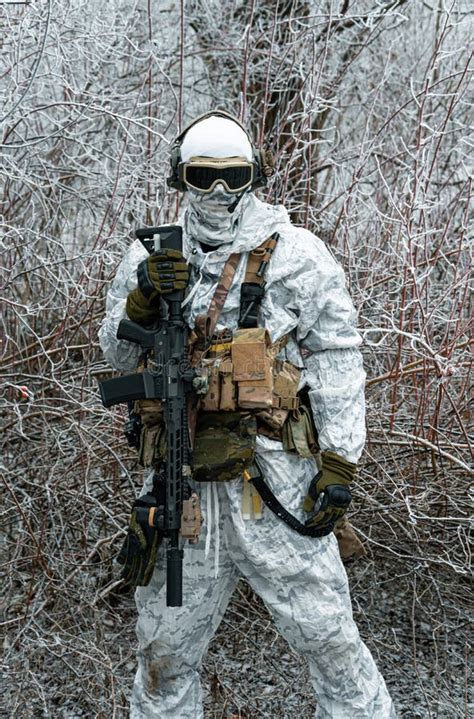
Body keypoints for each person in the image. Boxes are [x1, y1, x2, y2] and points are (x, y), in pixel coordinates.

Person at [99, 111, 396, 718]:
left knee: (331, 641)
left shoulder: (298, 255)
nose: (217, 193)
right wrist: (142, 299)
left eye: (231, 176)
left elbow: (338, 358)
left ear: (253, 176)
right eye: (202, 176)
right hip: (182, 490)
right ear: (179, 178)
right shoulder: (150, 256)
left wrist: (340, 461)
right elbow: (114, 355)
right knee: (164, 657)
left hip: (274, 483)